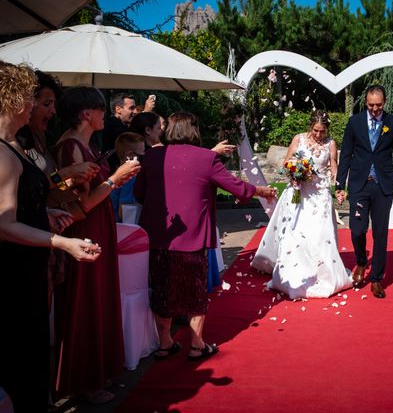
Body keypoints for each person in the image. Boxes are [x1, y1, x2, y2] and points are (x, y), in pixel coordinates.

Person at [134, 112, 277, 361]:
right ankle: (197, 345)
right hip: (192, 236)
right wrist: (261, 190)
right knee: (195, 292)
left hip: (159, 235)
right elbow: (235, 186)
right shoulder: (206, 158)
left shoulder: (152, 156)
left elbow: (139, 193)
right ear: (194, 130)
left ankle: (165, 343)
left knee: (161, 288)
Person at [0, 62, 100, 413]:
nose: (44, 109)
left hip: (32, 261)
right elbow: (3, 222)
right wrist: (62, 241)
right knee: (20, 355)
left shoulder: (21, 143)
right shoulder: (5, 151)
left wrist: (46, 211)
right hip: (15, 269)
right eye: (36, 100)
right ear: (12, 99)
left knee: (33, 349)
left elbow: (38, 191)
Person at [54, 86, 140, 405]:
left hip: (97, 227)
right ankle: (84, 381)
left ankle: (96, 374)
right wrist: (115, 179)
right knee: (85, 304)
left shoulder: (81, 145)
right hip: (84, 231)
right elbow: (83, 203)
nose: (105, 114)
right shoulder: (70, 147)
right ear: (86, 114)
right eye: (101, 109)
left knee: (97, 300)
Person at [251, 110, 352, 299]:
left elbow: (334, 169)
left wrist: (339, 188)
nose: (319, 135)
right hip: (299, 193)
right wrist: (295, 171)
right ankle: (294, 272)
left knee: (321, 234)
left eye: (322, 131)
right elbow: (286, 162)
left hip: (320, 194)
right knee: (295, 232)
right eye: (316, 130)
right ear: (310, 126)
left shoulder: (331, 144)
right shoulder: (298, 139)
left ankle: (323, 273)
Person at [335, 85, 393, 299]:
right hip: (359, 184)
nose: (375, 109)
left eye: (379, 105)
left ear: (384, 102)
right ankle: (360, 262)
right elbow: (345, 155)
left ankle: (376, 278)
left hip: (383, 187)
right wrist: (340, 185)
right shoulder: (354, 122)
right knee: (357, 230)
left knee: (380, 234)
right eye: (371, 105)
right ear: (365, 102)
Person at [110, 132, 146, 222]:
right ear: (130, 155)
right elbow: (125, 208)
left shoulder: (115, 173)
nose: (144, 155)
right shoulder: (130, 177)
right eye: (142, 152)